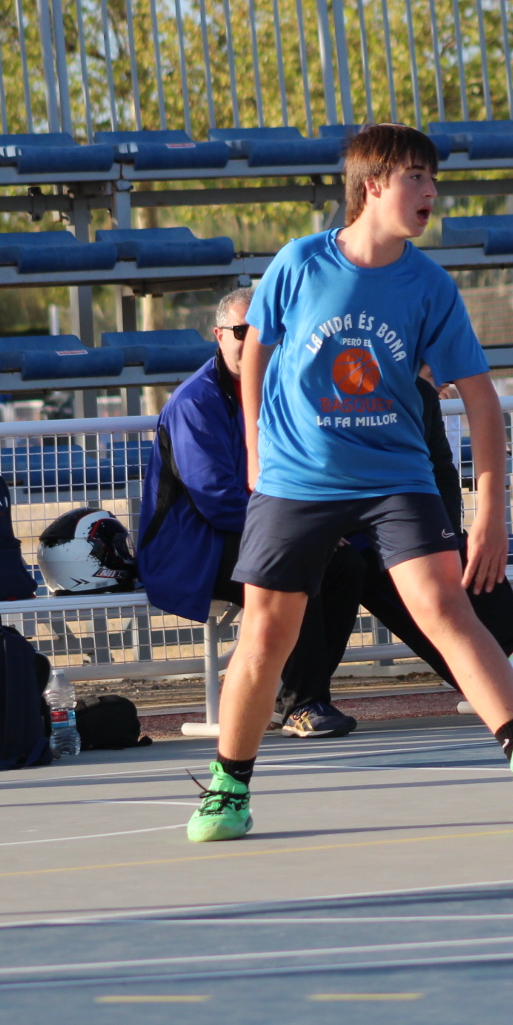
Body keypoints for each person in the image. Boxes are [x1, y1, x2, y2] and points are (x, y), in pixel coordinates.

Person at [187, 122, 513, 841]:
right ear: (372, 186)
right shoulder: (299, 264)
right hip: (298, 479)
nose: (431, 192)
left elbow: (481, 399)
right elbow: (257, 355)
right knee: (267, 633)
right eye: (415, 178)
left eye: (433, 179)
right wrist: (254, 445)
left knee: (445, 609)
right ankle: (228, 787)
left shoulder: (428, 285)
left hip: (395, 477)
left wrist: (490, 509)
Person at [287, 368, 513, 722]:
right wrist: (325, 524)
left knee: (465, 552)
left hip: (397, 528)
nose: (444, 378)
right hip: (352, 534)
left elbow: (441, 471)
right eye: (432, 368)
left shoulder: (420, 397)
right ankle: (503, 685)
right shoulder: (330, 393)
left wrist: (446, 536)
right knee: (413, 594)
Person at [136, 286, 360, 738]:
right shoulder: (194, 402)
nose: (255, 339)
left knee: (349, 563)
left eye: (266, 329)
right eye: (243, 331)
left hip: (255, 531)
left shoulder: (283, 390)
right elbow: (217, 499)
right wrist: (299, 530)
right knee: (296, 559)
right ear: (219, 335)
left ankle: (296, 695)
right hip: (192, 547)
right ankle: (302, 704)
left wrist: (318, 523)